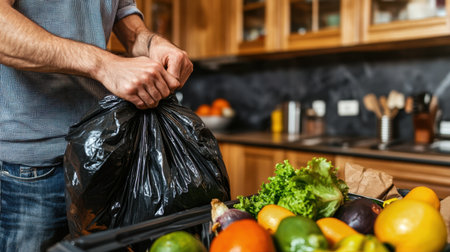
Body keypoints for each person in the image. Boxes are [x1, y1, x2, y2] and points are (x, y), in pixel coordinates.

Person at [0, 1, 193, 251]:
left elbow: (124, 17)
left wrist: (152, 42)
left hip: (103, 158)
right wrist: (104, 64)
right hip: (32, 170)